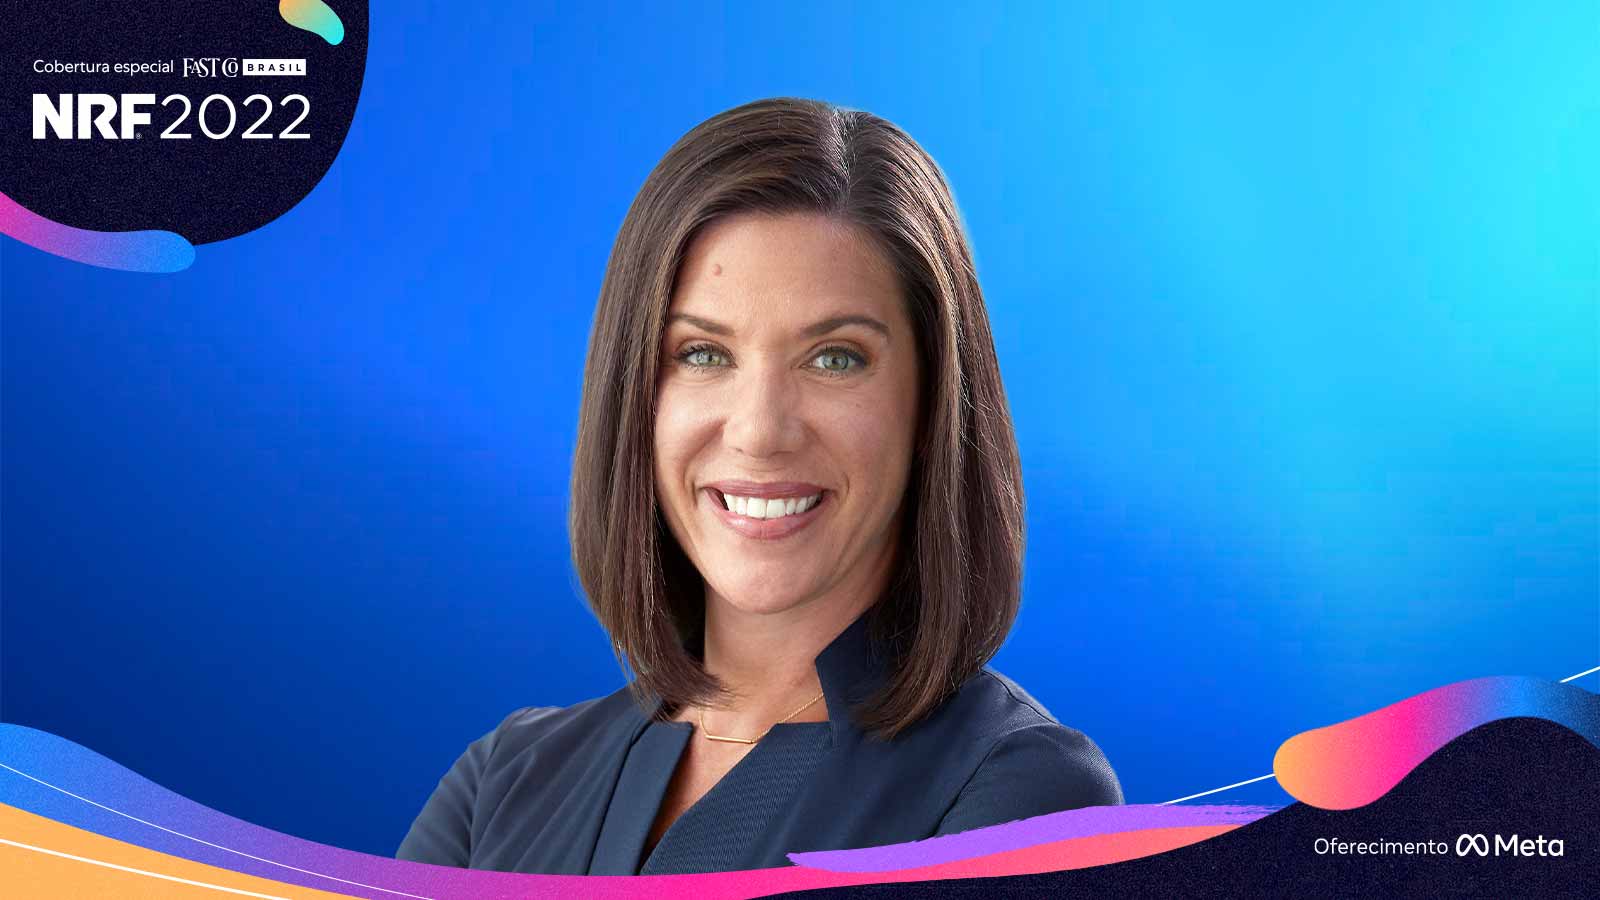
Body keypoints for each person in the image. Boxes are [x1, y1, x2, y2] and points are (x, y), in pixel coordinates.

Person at [396, 97, 1122, 876]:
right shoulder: (504, 783)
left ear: (932, 406)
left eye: (835, 358)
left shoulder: (1026, 801)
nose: (759, 430)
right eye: (703, 354)